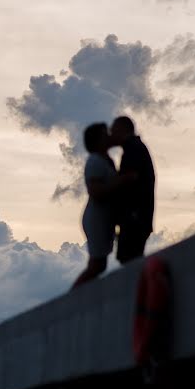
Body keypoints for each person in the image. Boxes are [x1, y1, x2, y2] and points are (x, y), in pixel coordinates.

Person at [72, 123, 118, 289]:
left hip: (102, 217)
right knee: (97, 265)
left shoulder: (105, 160)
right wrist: (121, 182)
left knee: (100, 264)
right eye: (105, 134)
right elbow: (95, 191)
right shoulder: (95, 161)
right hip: (97, 218)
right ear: (98, 140)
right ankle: (72, 298)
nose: (109, 136)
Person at [109, 116, 155, 264]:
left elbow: (130, 177)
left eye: (114, 129)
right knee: (130, 259)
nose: (111, 133)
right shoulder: (135, 147)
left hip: (135, 217)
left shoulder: (133, 147)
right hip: (137, 217)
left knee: (129, 260)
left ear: (122, 129)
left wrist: (106, 185)